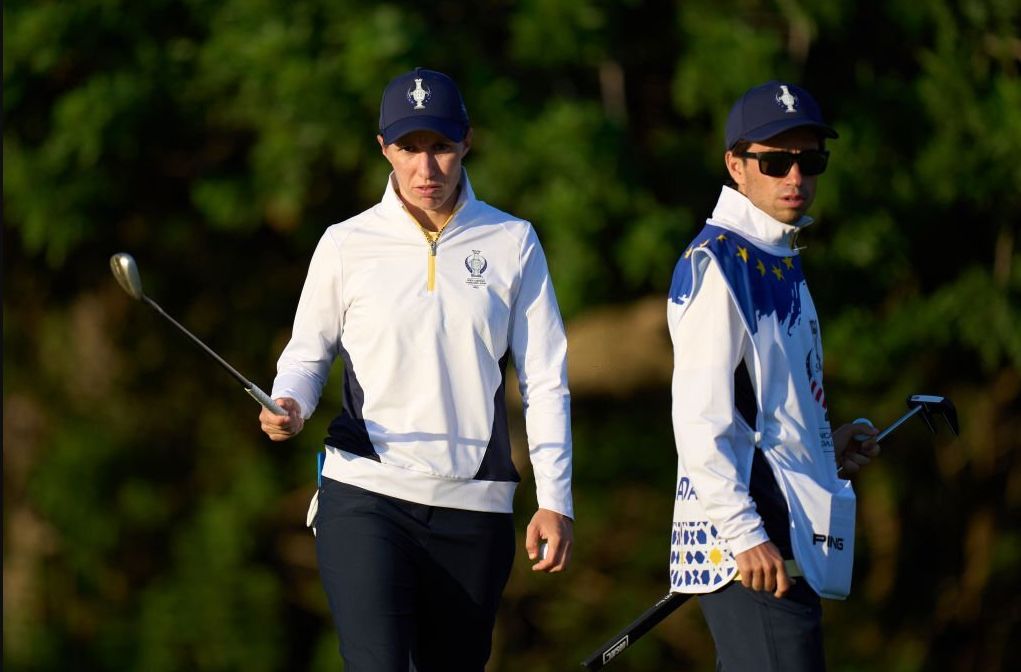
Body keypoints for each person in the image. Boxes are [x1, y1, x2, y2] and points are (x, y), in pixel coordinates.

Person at [259, 67, 574, 671]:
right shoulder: (345, 243)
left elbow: (546, 379)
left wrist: (555, 499)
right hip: (366, 490)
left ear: (467, 142)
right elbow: (306, 354)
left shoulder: (513, 241)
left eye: (441, 147)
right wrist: (289, 401)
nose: (426, 170)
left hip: (475, 504)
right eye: (409, 149)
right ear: (384, 148)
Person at [666, 81, 880, 671]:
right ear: (736, 165)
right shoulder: (718, 265)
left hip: (788, 537)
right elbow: (701, 416)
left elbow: (767, 410)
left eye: (810, 161)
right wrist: (742, 533)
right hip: (752, 550)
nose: (795, 177)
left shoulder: (778, 258)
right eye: (775, 161)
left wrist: (823, 450)